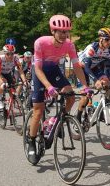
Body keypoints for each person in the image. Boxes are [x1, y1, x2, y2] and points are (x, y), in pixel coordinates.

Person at [27, 14, 90, 164]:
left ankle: (56, 120)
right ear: (52, 31)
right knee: (38, 110)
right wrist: (48, 87)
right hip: (39, 71)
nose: (63, 35)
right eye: (60, 31)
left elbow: (76, 66)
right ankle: (31, 141)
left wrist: (85, 86)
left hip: (54, 70)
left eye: (66, 31)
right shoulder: (40, 43)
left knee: (71, 96)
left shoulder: (69, 44)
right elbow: (38, 68)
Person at [76, 27, 110, 122]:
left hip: (94, 67)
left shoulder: (109, 50)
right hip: (82, 69)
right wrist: (96, 81)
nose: (109, 42)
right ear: (100, 39)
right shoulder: (92, 48)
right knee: (86, 96)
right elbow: (87, 67)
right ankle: (78, 117)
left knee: (107, 84)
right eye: (107, 39)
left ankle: (101, 110)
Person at [0, 44, 27, 110]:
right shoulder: (0, 58)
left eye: (12, 54)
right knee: (3, 84)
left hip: (8, 73)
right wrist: (2, 82)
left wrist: (25, 81)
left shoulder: (15, 58)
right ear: (4, 53)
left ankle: (10, 107)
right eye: (8, 54)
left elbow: (20, 71)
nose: (10, 56)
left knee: (12, 90)